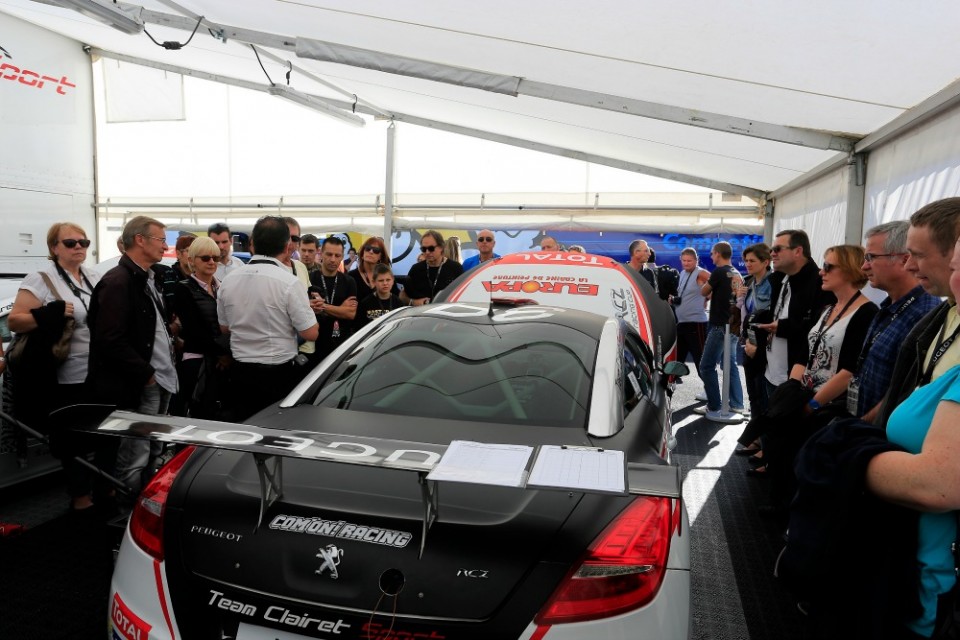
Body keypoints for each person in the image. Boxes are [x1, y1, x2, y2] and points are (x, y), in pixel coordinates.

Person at [865, 230, 960, 639]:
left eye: (916, 255)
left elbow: (938, 485)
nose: (909, 264)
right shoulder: (940, 317)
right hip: (921, 570)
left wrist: (846, 457)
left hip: (941, 589)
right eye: (958, 268)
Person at [8, 222, 104, 512]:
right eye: (70, 243)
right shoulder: (42, 278)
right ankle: (80, 497)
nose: (78, 248)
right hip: (65, 372)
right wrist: (51, 312)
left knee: (100, 432)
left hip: (98, 369)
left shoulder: (93, 276)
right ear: (54, 248)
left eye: (83, 243)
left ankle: (102, 490)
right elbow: (15, 320)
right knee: (71, 437)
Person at [87, 216, 178, 497]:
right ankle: (130, 510)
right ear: (140, 240)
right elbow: (109, 338)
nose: (165, 246)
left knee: (153, 448)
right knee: (135, 453)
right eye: (161, 239)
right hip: (141, 382)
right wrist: (146, 375)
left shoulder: (147, 278)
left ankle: (144, 502)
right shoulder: (119, 281)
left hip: (158, 378)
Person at [217, 216, 319, 421]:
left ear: (252, 244)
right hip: (277, 374)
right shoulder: (289, 282)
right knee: (275, 433)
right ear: (286, 245)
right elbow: (310, 333)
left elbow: (225, 328)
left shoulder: (228, 280)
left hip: (240, 371)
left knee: (245, 432)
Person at [876, 198, 960, 428]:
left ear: (955, 253)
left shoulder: (929, 310)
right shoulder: (944, 313)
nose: (908, 266)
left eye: (918, 255)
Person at [852, 221, 941, 423]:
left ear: (904, 260)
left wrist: (862, 425)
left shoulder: (926, 313)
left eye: (871, 257)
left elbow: (905, 391)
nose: (864, 266)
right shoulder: (888, 306)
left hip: (878, 433)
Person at [756, 229, 835, 396]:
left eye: (777, 249)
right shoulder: (781, 278)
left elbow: (821, 330)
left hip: (796, 379)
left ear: (798, 251)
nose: (772, 254)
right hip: (771, 371)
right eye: (771, 250)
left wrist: (782, 327)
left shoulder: (821, 284)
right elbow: (775, 314)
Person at [173, 237, 230, 419]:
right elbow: (193, 330)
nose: (212, 262)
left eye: (215, 257)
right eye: (205, 258)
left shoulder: (224, 286)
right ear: (191, 260)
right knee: (198, 414)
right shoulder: (183, 289)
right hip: (198, 361)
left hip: (222, 362)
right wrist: (222, 354)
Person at [698, 241, 745, 420]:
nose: (711, 256)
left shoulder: (718, 272)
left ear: (718, 254)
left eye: (712, 253)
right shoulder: (736, 272)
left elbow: (704, 292)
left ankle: (714, 405)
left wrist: (706, 285)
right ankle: (737, 404)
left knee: (707, 366)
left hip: (720, 325)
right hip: (733, 325)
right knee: (730, 364)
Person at [738, 243, 775, 416]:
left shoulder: (773, 284)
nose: (748, 264)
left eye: (752, 260)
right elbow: (746, 312)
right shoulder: (750, 282)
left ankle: (760, 437)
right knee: (753, 393)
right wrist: (740, 298)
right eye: (746, 260)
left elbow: (769, 316)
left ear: (766, 262)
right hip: (748, 340)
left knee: (762, 393)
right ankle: (754, 433)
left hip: (762, 344)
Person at [308, 236, 358, 360]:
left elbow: (350, 313)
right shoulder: (310, 278)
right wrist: (339, 309)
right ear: (321, 254)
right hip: (315, 343)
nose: (332, 259)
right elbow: (305, 308)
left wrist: (322, 306)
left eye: (337, 255)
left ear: (342, 257)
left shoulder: (349, 281)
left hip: (341, 343)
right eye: (329, 254)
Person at [401, 230, 464, 306]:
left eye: (431, 248)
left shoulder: (455, 268)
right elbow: (403, 295)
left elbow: (463, 295)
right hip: (421, 314)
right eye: (424, 249)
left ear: (441, 247)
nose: (427, 252)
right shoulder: (416, 269)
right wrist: (413, 302)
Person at [673, 247, 710, 375]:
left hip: (696, 323)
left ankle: (710, 390)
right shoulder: (682, 273)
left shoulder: (701, 273)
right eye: (684, 260)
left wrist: (707, 298)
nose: (686, 263)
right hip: (682, 323)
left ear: (696, 261)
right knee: (677, 359)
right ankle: (669, 387)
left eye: (689, 261)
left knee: (700, 360)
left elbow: (717, 284)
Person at [349, 236, 399, 304]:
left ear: (380, 256)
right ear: (362, 254)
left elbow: (396, 300)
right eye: (368, 248)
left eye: (376, 250)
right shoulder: (351, 276)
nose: (371, 251)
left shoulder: (387, 277)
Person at [355, 264, 404, 329]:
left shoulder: (398, 303)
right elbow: (359, 328)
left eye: (388, 280)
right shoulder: (365, 303)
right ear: (374, 282)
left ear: (393, 281)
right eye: (381, 280)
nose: (385, 283)